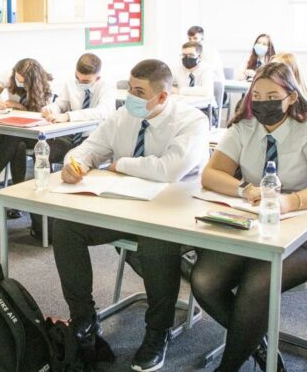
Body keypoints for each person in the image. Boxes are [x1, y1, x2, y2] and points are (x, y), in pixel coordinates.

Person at [53, 59, 210, 372]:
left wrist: (120, 164)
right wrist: (76, 163)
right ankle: (84, 319)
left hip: (170, 212)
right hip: (123, 207)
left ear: (162, 96)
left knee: (156, 240)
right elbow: (90, 147)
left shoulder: (192, 121)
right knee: (65, 226)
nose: (131, 97)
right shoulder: (123, 116)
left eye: (139, 92)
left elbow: (169, 169)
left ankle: (158, 332)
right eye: (130, 88)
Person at [192, 62, 307, 372]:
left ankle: (228, 367)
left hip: (306, 228)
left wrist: (289, 201)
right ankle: (257, 344)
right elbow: (211, 174)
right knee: (204, 281)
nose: (263, 104)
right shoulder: (244, 127)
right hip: (253, 224)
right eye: (257, 97)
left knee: (258, 283)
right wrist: (245, 189)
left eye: (273, 97)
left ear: (292, 97)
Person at [0, 58, 65, 217]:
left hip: (36, 135)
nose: (18, 82)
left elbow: (43, 115)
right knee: (18, 144)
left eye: (22, 81)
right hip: (12, 134)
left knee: (16, 138)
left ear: (32, 81)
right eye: (17, 78)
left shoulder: (47, 85)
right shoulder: (8, 76)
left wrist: (19, 107)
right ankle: (15, 203)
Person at [42, 53, 116, 146]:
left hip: (97, 136)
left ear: (97, 78)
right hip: (72, 133)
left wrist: (68, 116)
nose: (79, 82)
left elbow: (101, 112)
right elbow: (61, 104)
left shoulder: (107, 85)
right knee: (48, 148)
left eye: (85, 81)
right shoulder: (71, 81)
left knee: (77, 154)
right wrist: (50, 109)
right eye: (77, 78)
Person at [174, 41, 224, 126]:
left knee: (190, 124)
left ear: (199, 57)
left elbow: (206, 91)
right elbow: (167, 84)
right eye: (184, 55)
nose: (186, 58)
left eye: (191, 55)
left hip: (204, 109)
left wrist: (180, 91)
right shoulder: (177, 68)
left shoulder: (206, 69)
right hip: (184, 108)